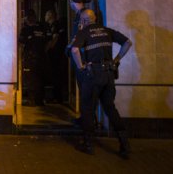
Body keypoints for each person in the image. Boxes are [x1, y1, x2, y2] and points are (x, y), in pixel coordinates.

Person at [70, 9, 133, 159]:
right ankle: (124, 144)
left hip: (92, 75)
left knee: (87, 109)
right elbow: (128, 43)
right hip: (108, 75)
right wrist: (116, 60)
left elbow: (74, 49)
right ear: (95, 18)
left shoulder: (84, 32)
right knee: (110, 108)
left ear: (84, 21)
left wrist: (80, 66)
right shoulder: (107, 31)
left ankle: (88, 144)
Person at [19, 10, 48, 106]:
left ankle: (32, 101)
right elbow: (48, 42)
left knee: (31, 79)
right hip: (41, 56)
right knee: (39, 79)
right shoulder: (42, 28)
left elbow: (21, 43)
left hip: (30, 57)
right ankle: (39, 100)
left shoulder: (26, 29)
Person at [44, 9, 66, 103]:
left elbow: (55, 38)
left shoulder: (55, 25)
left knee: (56, 75)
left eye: (46, 15)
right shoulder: (51, 26)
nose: (45, 17)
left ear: (50, 16)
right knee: (55, 76)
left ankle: (58, 97)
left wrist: (47, 49)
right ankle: (56, 96)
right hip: (56, 54)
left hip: (57, 55)